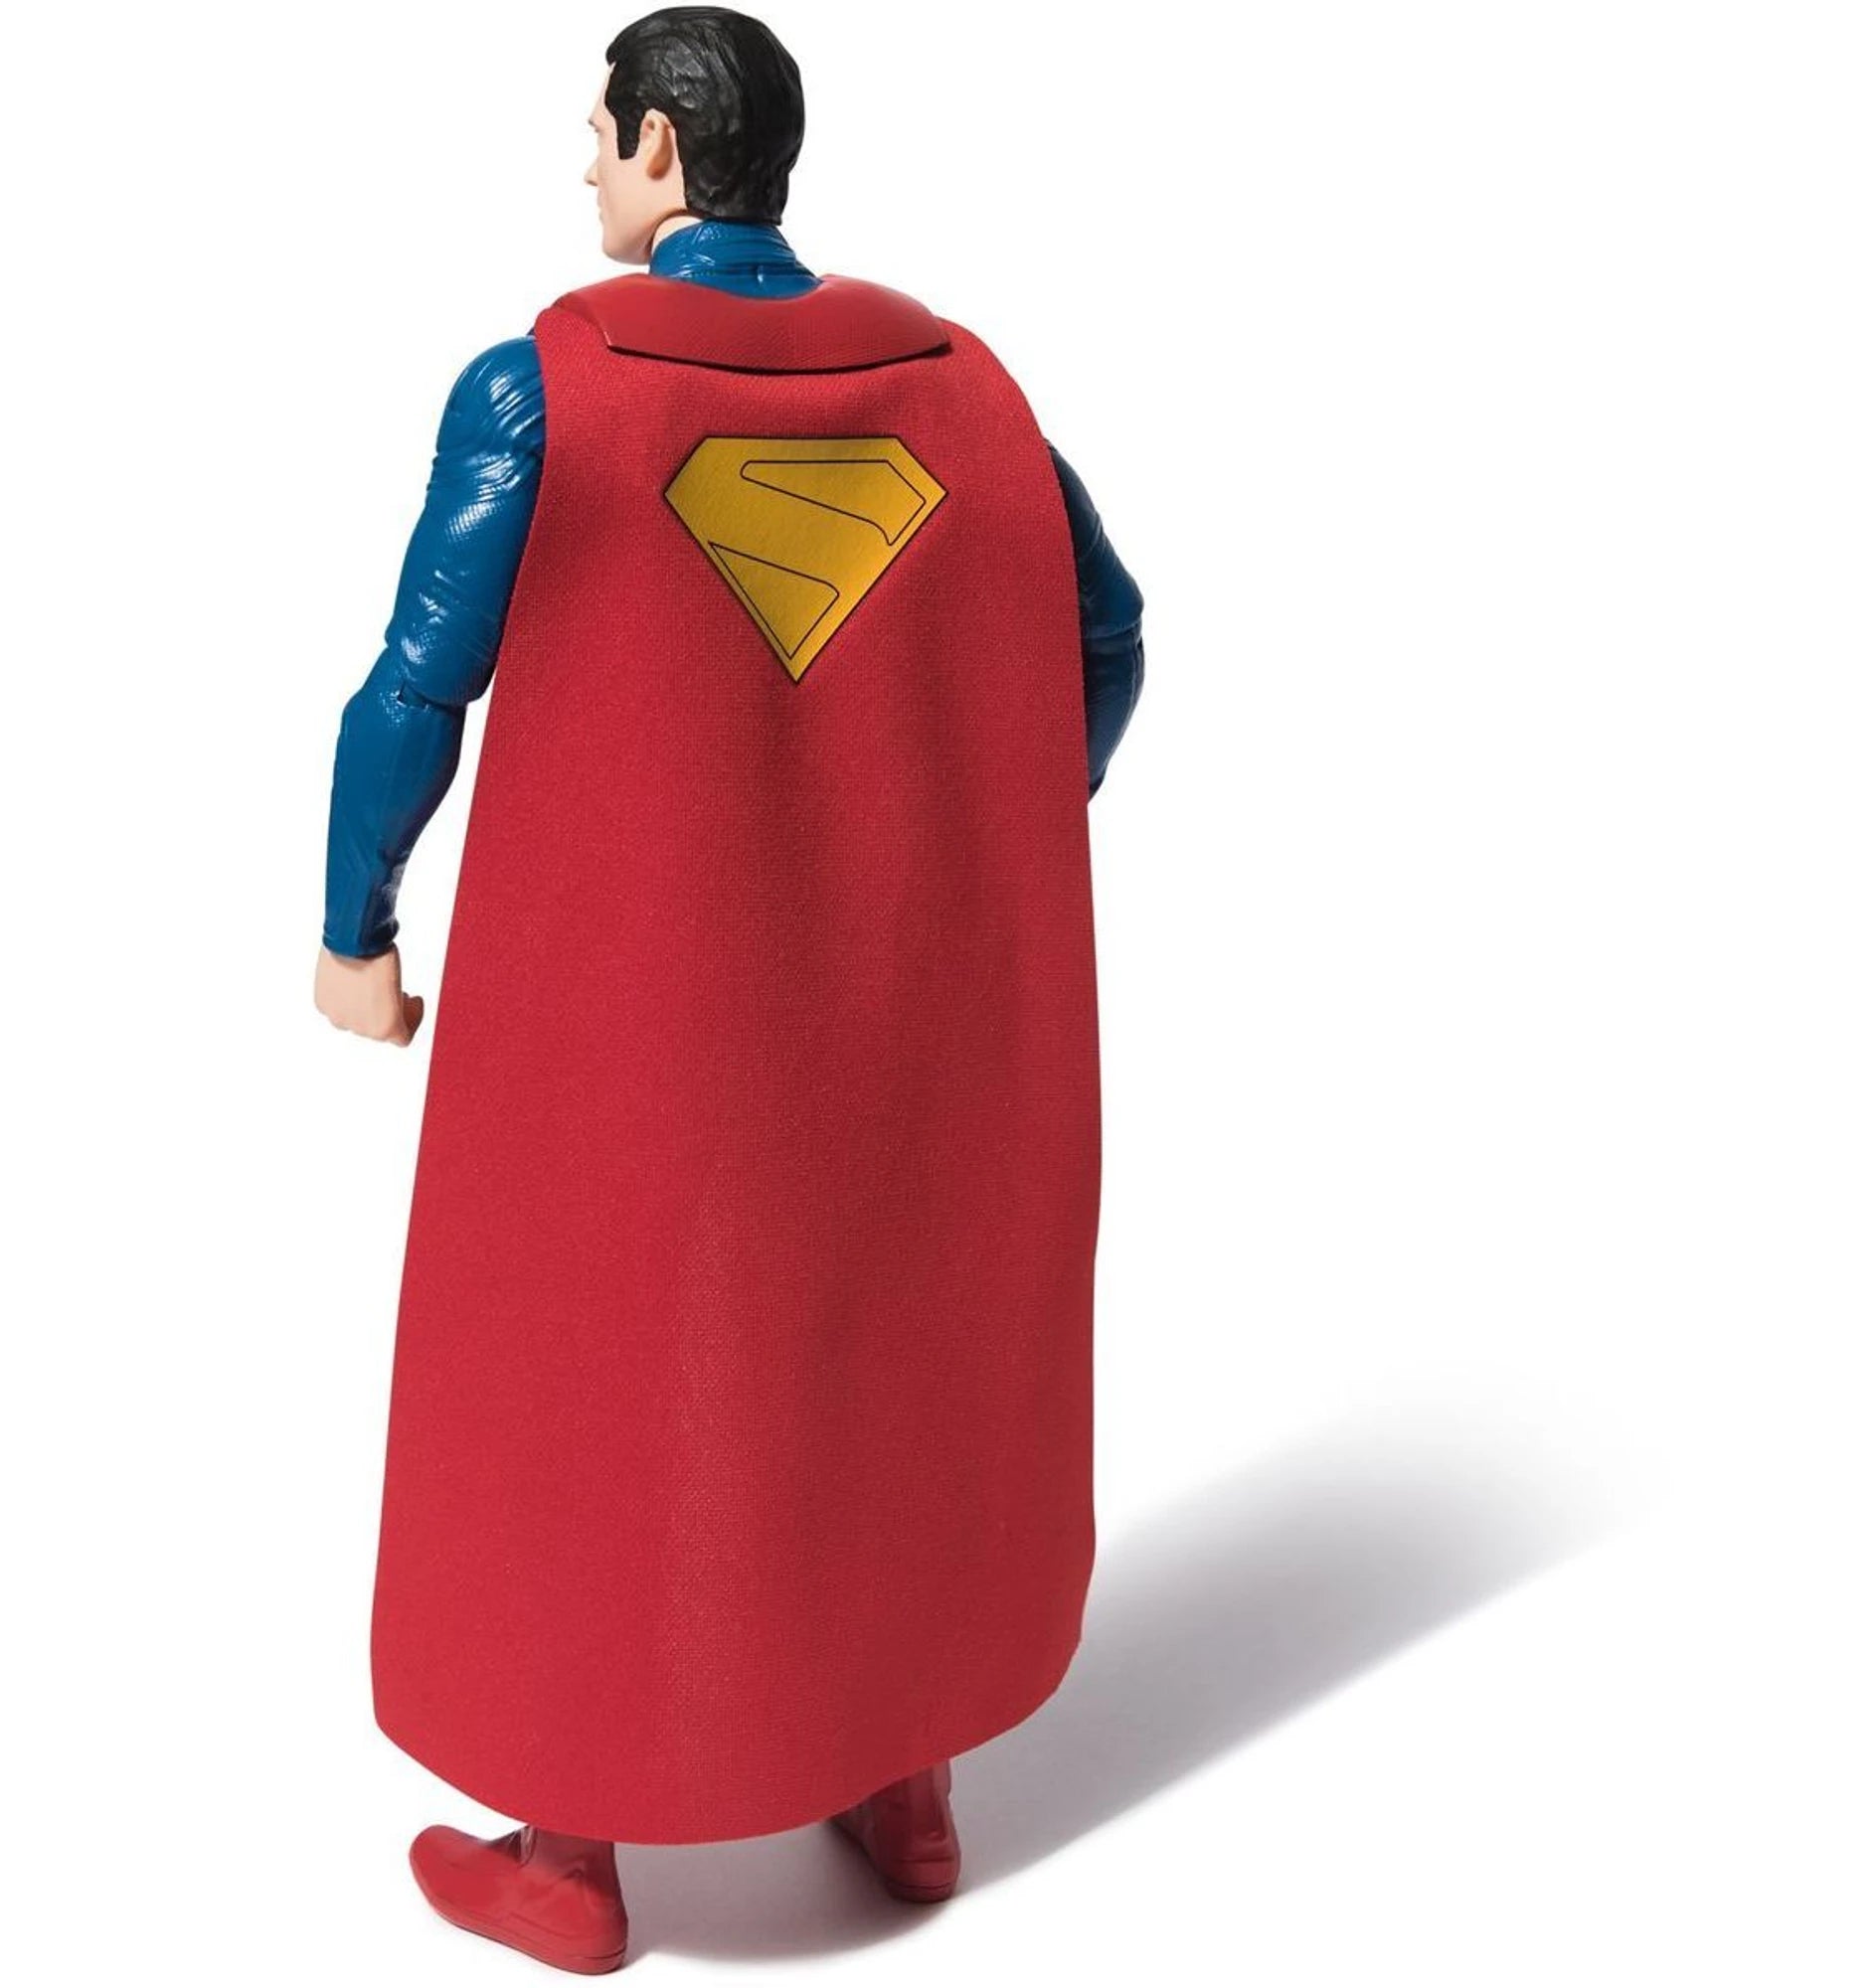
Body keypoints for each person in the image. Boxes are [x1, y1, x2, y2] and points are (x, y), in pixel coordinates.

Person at [314, 8, 1143, 1973]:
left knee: (586, 1379)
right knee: (895, 1343)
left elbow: (415, 684)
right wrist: (998, 831)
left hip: (622, 1027)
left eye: (600, 135)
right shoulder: (962, 390)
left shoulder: (545, 391)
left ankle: (568, 1855)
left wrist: (357, 927)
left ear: (667, 154)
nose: (584, 170)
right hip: (905, 1009)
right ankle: (904, 1780)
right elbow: (1104, 636)